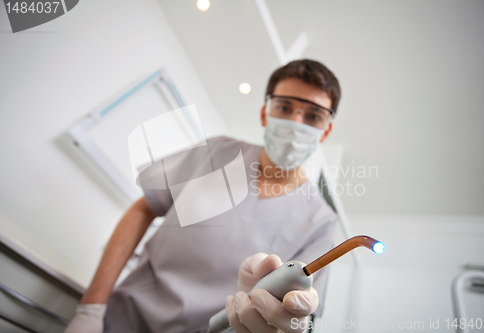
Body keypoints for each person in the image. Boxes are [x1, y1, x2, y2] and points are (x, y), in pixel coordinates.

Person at [65, 59, 341, 333]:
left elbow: (299, 310)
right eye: (284, 107)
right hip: (120, 318)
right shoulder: (218, 152)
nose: (295, 123)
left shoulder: (320, 221)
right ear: (264, 113)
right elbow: (144, 208)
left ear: (326, 129)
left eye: (313, 115)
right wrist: (91, 309)